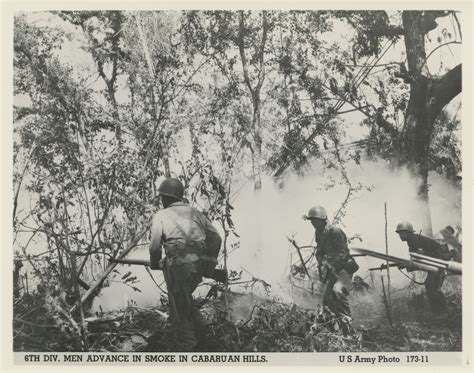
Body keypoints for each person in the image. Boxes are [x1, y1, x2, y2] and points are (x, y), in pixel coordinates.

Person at [149, 177, 222, 351]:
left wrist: (154, 264)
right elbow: (216, 238)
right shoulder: (195, 213)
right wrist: (209, 264)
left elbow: (154, 247)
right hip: (197, 268)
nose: (161, 201)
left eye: (162, 198)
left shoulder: (160, 215)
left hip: (179, 270)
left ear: (166, 198)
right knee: (185, 299)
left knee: (179, 314)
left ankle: (189, 350)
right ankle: (205, 330)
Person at [304, 206, 358, 331]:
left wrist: (332, 264)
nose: (312, 222)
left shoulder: (335, 231)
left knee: (338, 292)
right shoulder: (319, 233)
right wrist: (322, 262)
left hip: (344, 268)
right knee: (327, 298)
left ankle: (348, 325)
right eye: (311, 220)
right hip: (332, 269)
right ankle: (337, 324)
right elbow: (319, 253)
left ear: (323, 219)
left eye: (315, 220)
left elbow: (343, 253)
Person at [395, 221, 450, 313]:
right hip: (435, 262)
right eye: (399, 233)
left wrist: (407, 265)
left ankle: (442, 311)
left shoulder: (414, 241)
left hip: (438, 262)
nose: (400, 235)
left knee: (431, 285)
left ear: (408, 232)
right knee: (431, 286)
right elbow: (420, 260)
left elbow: (421, 259)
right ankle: (439, 312)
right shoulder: (412, 241)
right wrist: (406, 265)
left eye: (402, 233)